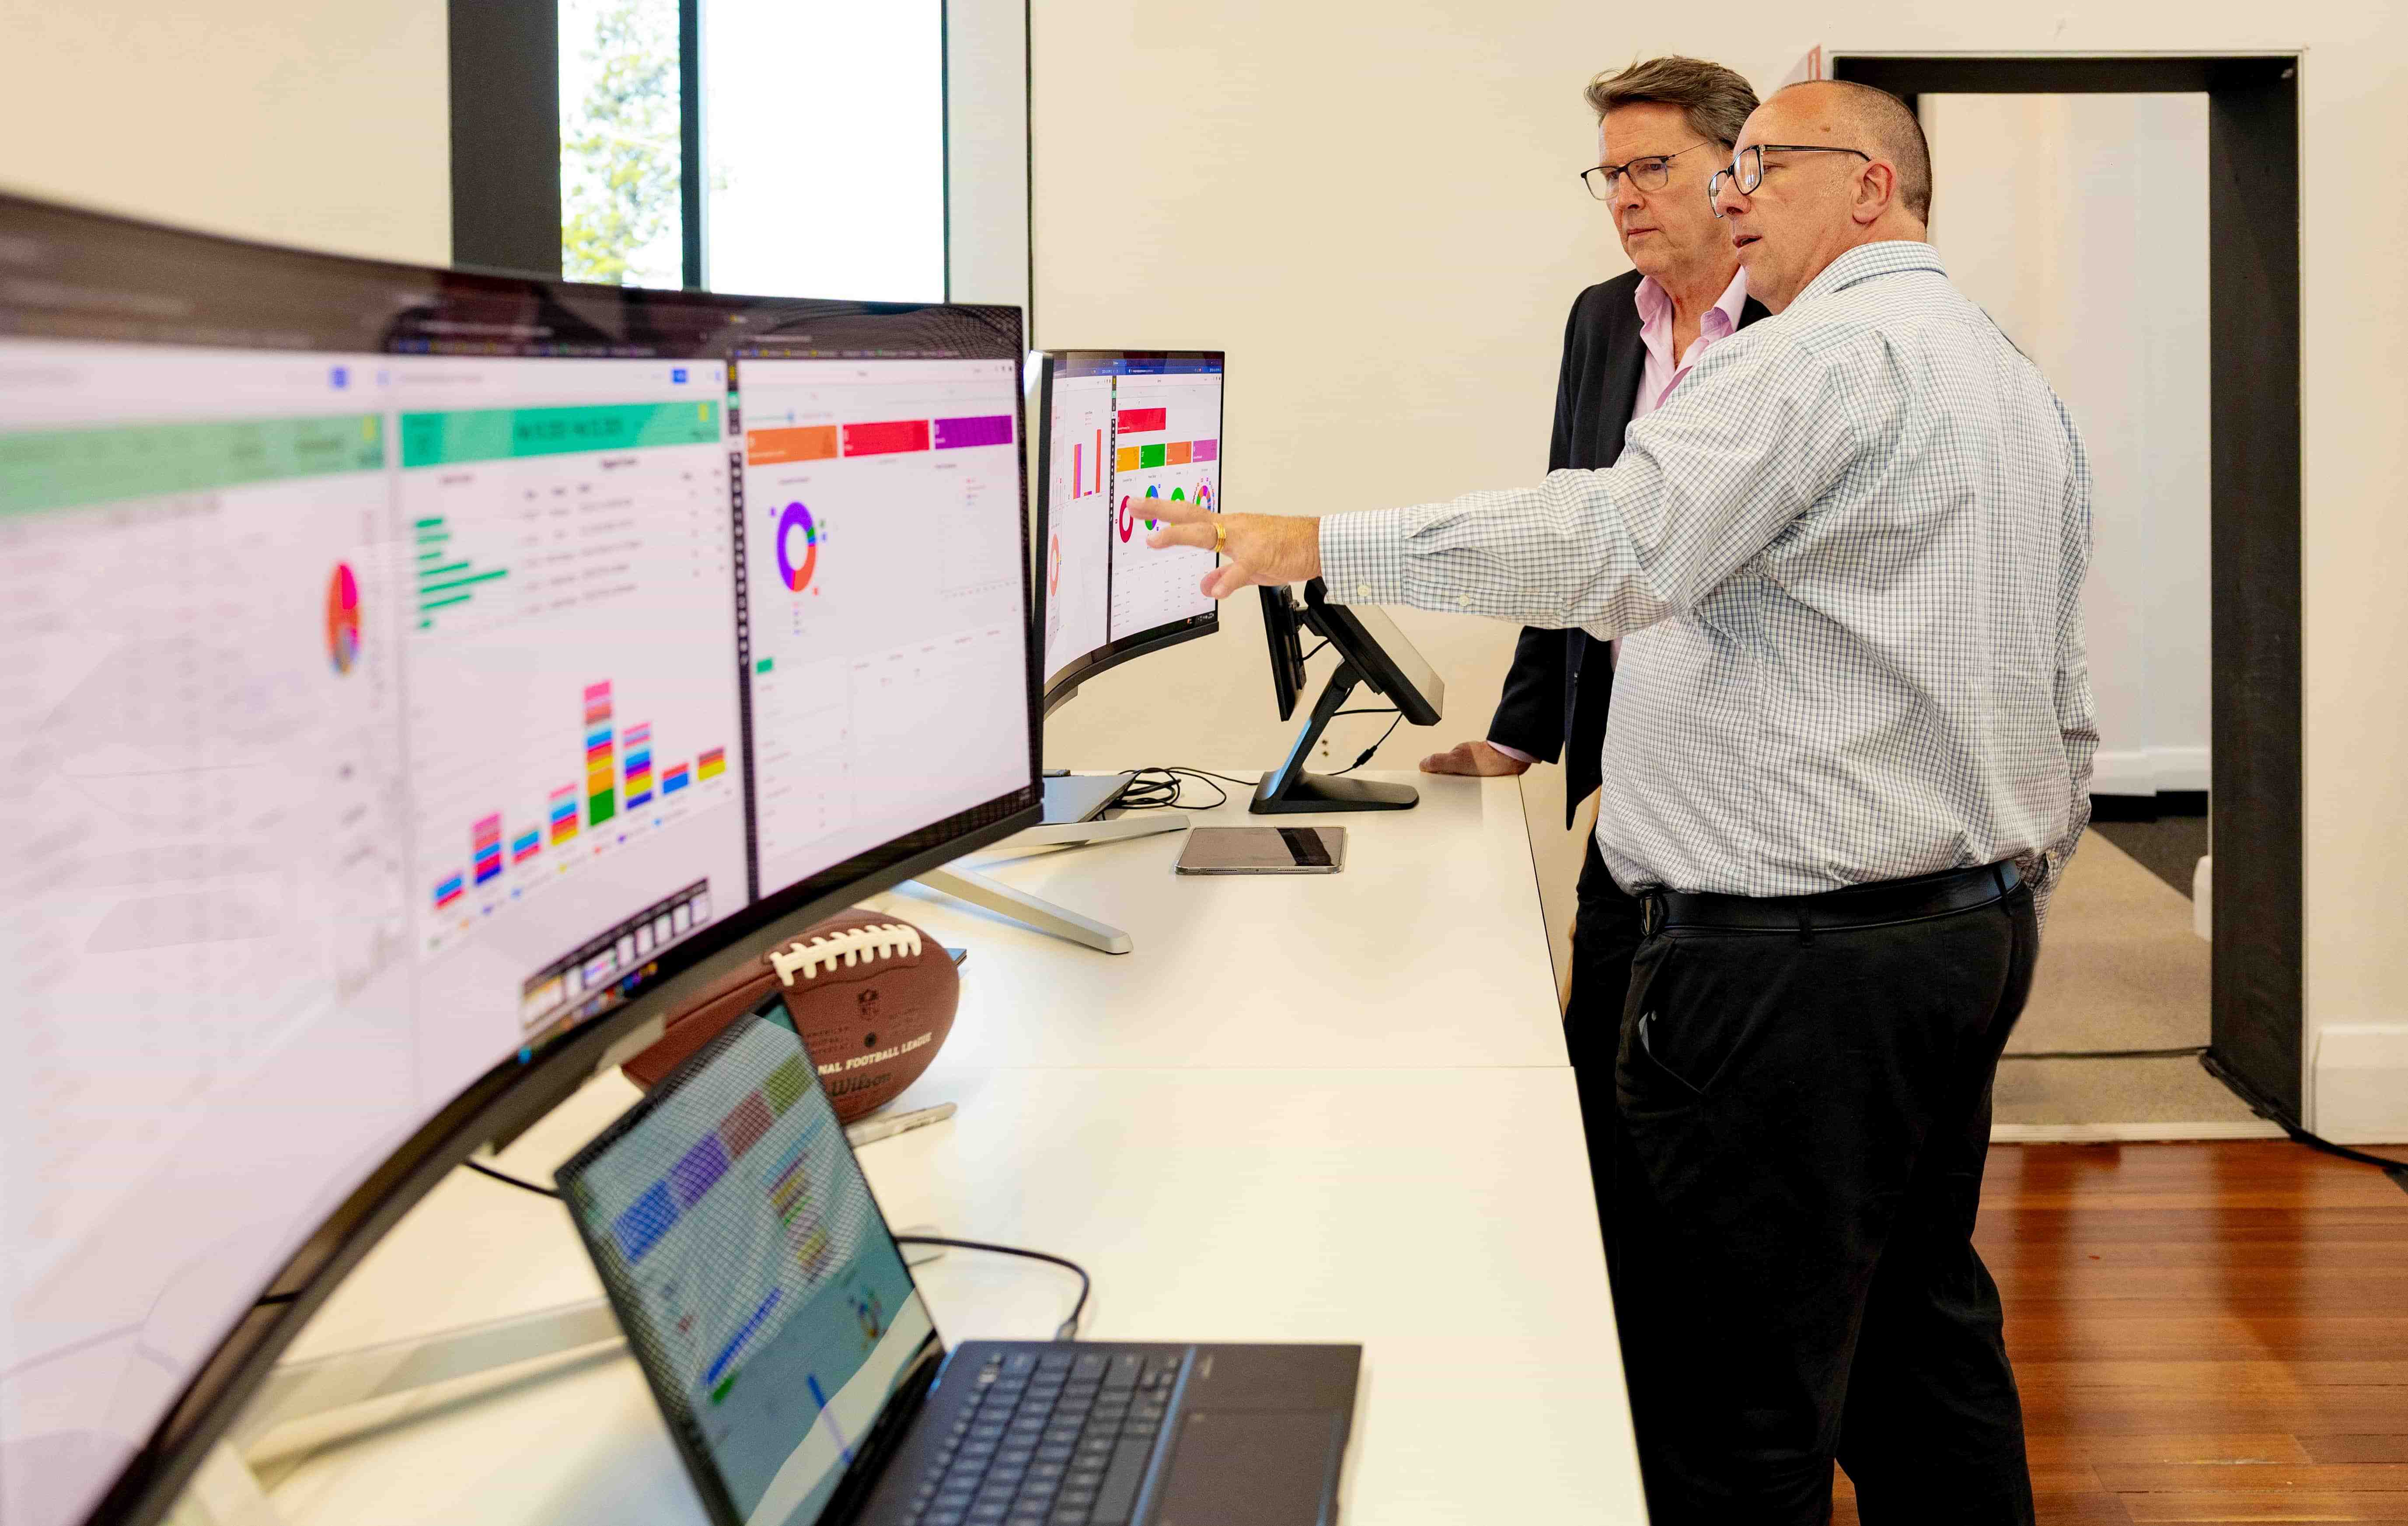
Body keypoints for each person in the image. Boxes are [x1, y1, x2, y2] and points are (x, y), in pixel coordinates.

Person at [1149, 79, 2096, 1525]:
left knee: (1733, 1394)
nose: (1730, 196)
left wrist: (1319, 541)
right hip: (1957, 938)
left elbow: (1614, 542)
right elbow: (2058, 675)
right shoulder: (2000, 372)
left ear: (1868, 187)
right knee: (1918, 1334)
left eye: (1761, 168)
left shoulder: (1813, 360)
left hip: (1794, 969)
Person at [1415, 55, 1770, 1238]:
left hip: (1760, 785)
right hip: (1630, 768)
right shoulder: (1598, 319)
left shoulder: (1803, 330)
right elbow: (1572, 527)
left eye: (1651, 167)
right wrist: (1525, 731)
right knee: (1595, 1069)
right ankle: (1611, 1334)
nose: (1624, 196)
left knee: (1706, 1114)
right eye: (1609, 173)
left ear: (1737, 168)